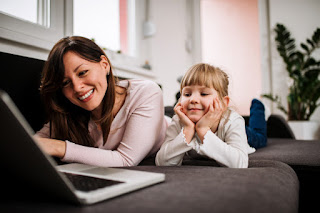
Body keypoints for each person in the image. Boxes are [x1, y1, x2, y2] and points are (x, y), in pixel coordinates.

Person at [35, 36, 167, 167]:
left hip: (170, 131)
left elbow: (126, 160)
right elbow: (33, 142)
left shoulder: (146, 91)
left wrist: (59, 147)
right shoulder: (69, 111)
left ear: (104, 65)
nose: (77, 87)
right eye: (65, 82)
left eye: (82, 73)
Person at [156, 63, 259, 168]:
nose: (193, 99)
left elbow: (240, 164)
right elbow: (162, 162)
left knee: (258, 135)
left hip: (247, 137)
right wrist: (187, 130)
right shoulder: (179, 120)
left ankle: (258, 109)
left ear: (223, 103)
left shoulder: (233, 121)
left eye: (204, 94)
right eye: (187, 94)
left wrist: (203, 130)